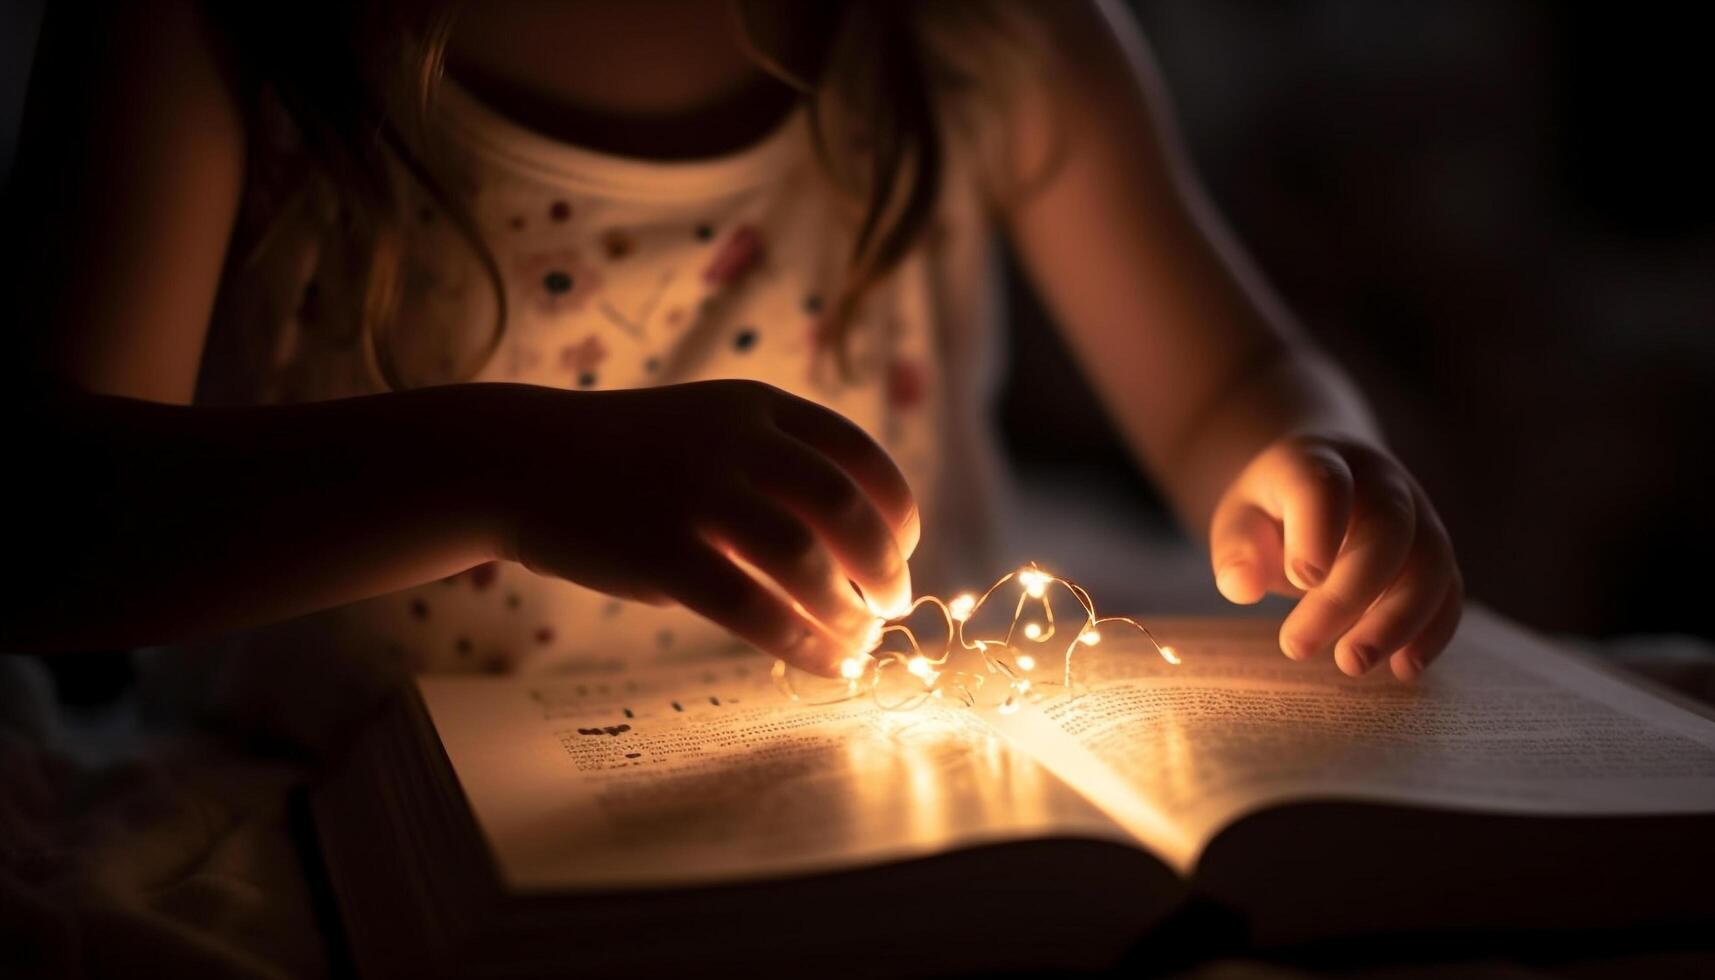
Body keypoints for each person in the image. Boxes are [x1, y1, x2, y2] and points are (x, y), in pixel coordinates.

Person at [1, 0, 1460, 687]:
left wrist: (1320, 464)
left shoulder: (994, 33)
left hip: (888, 857)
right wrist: (515, 472)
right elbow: (45, 530)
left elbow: (1231, 384)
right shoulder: (223, 31)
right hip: (348, 859)